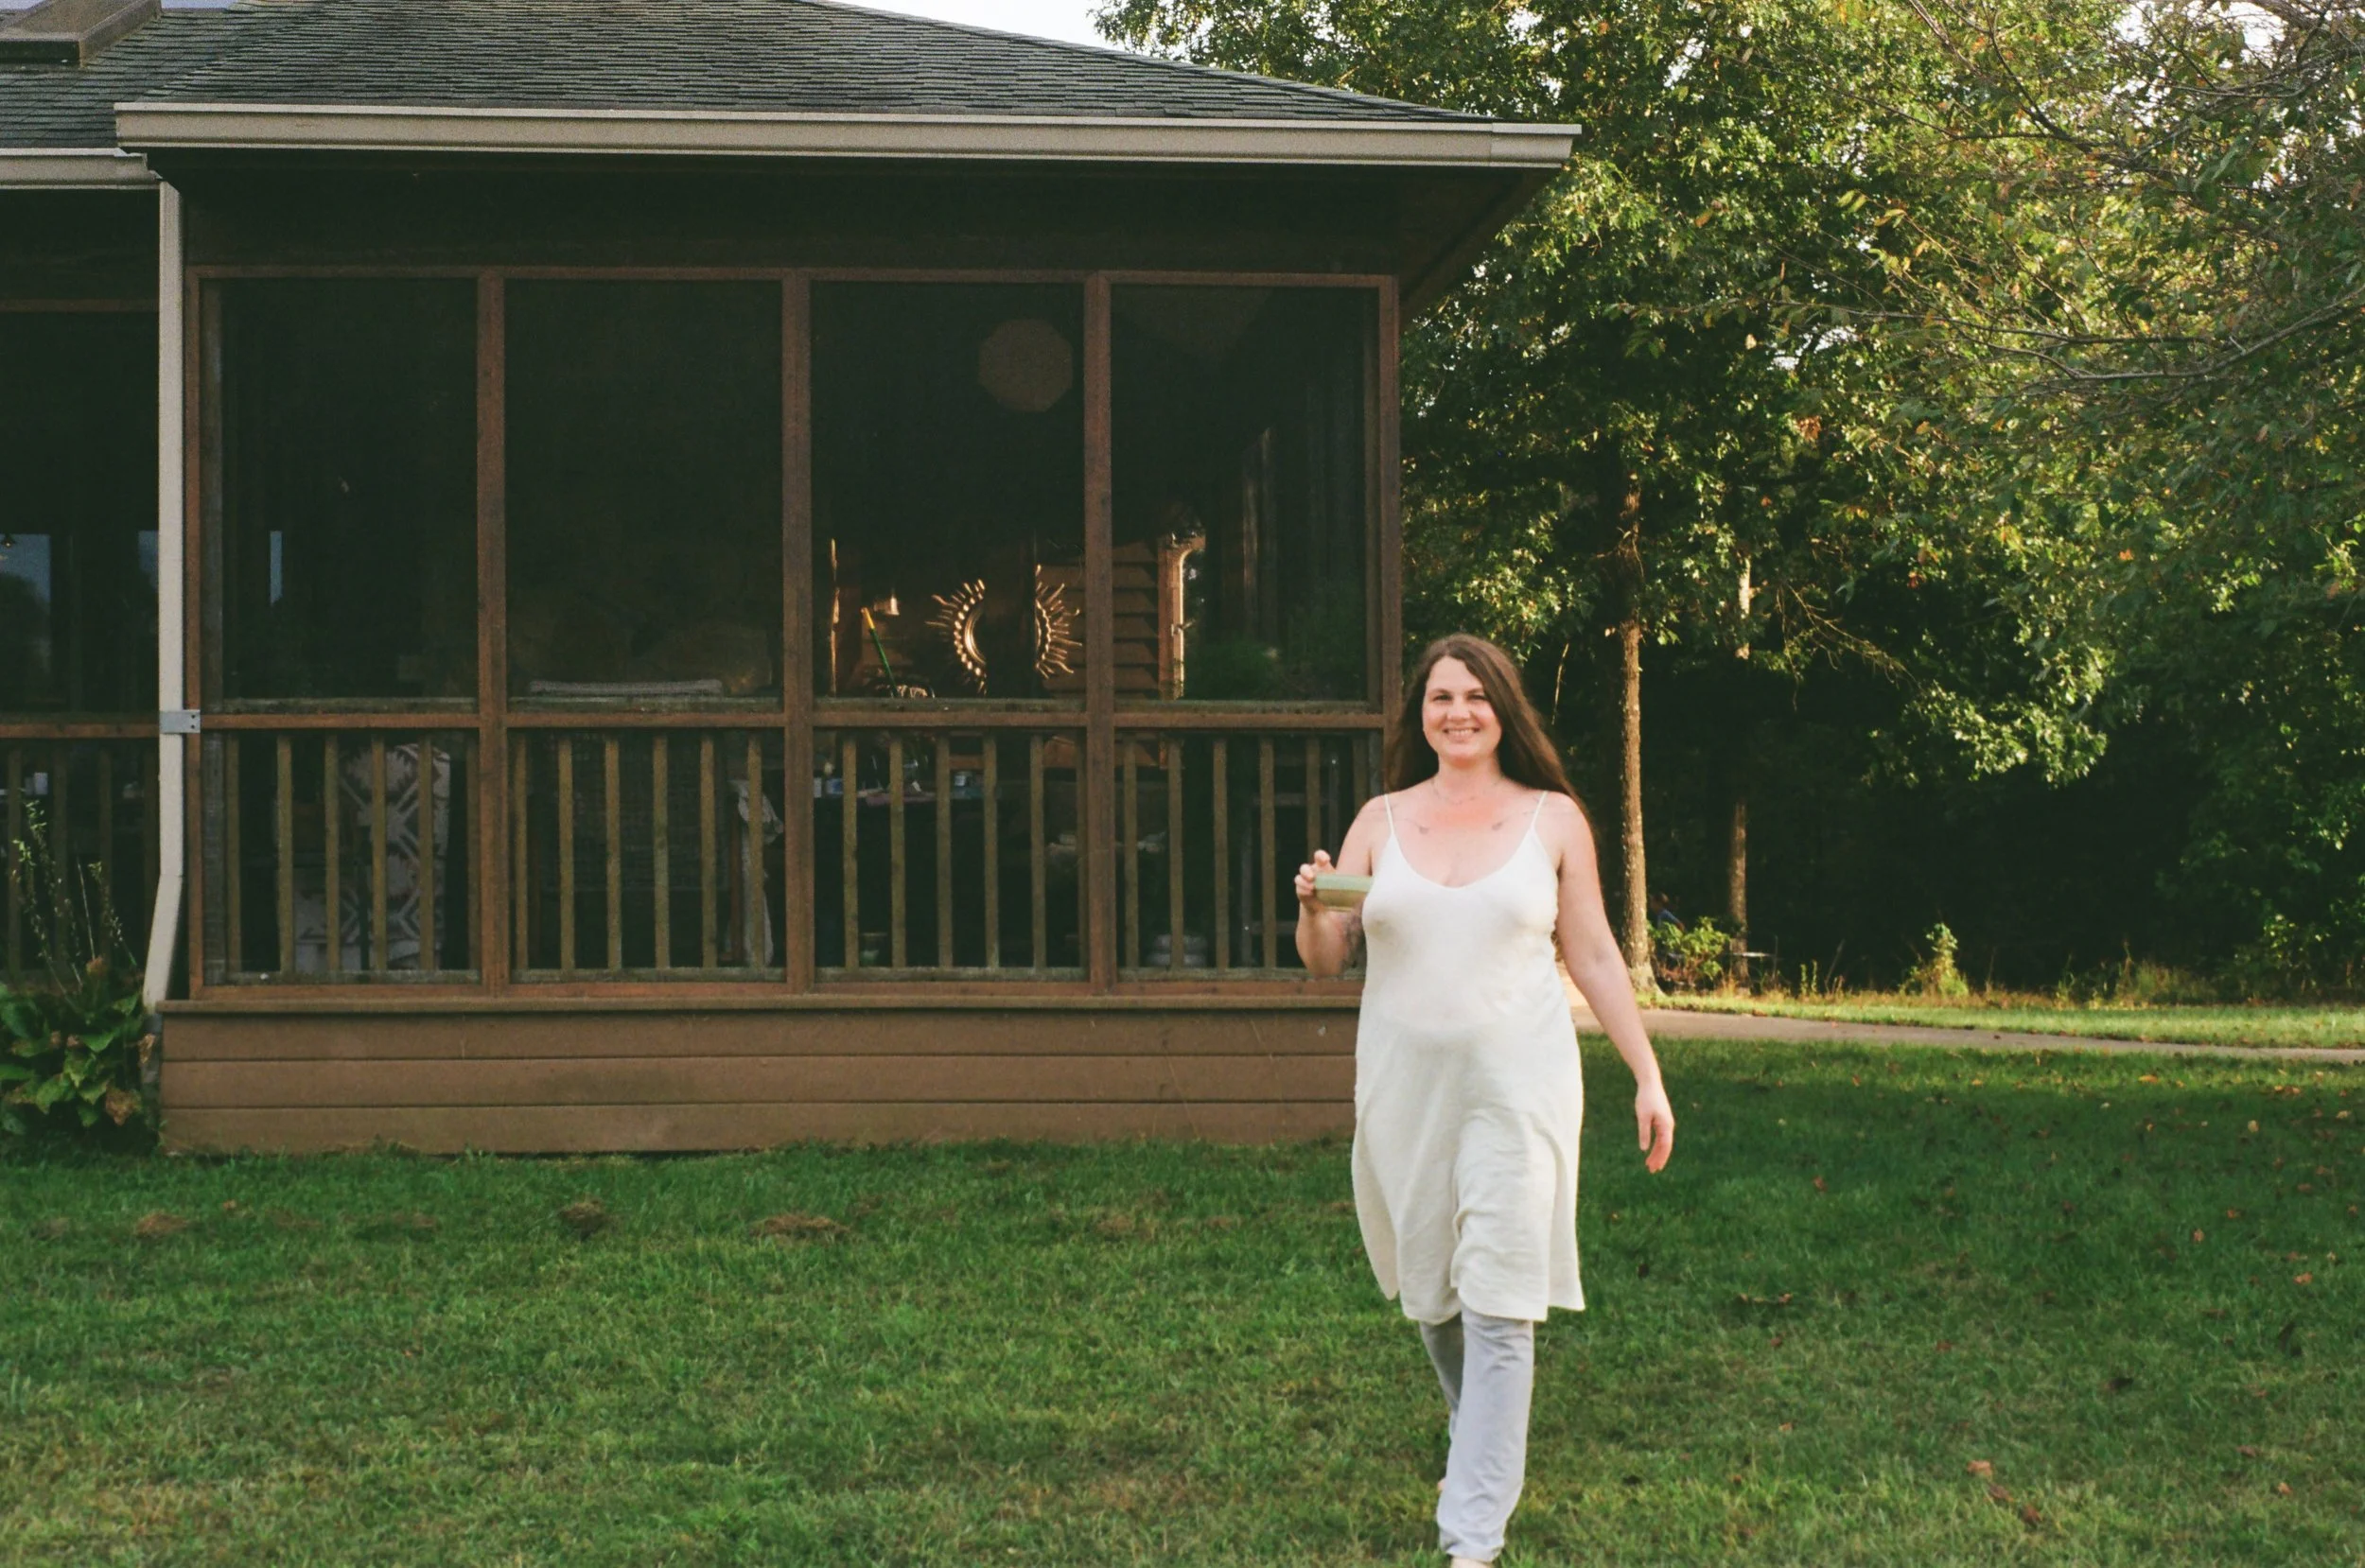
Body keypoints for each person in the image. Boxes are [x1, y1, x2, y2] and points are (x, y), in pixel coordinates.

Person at [1294, 633, 1675, 1568]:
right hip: (1403, 1089)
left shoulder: (1553, 819)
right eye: (1438, 696)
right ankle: (1478, 1429)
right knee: (1433, 1293)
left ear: (1504, 708)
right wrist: (1311, 907)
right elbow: (1328, 957)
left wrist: (1646, 1072)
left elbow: (1590, 954)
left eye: (1474, 694)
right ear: (1417, 715)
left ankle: (1471, 1534)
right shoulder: (1378, 821)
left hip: (1520, 1086)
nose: (1456, 710)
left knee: (1500, 1298)